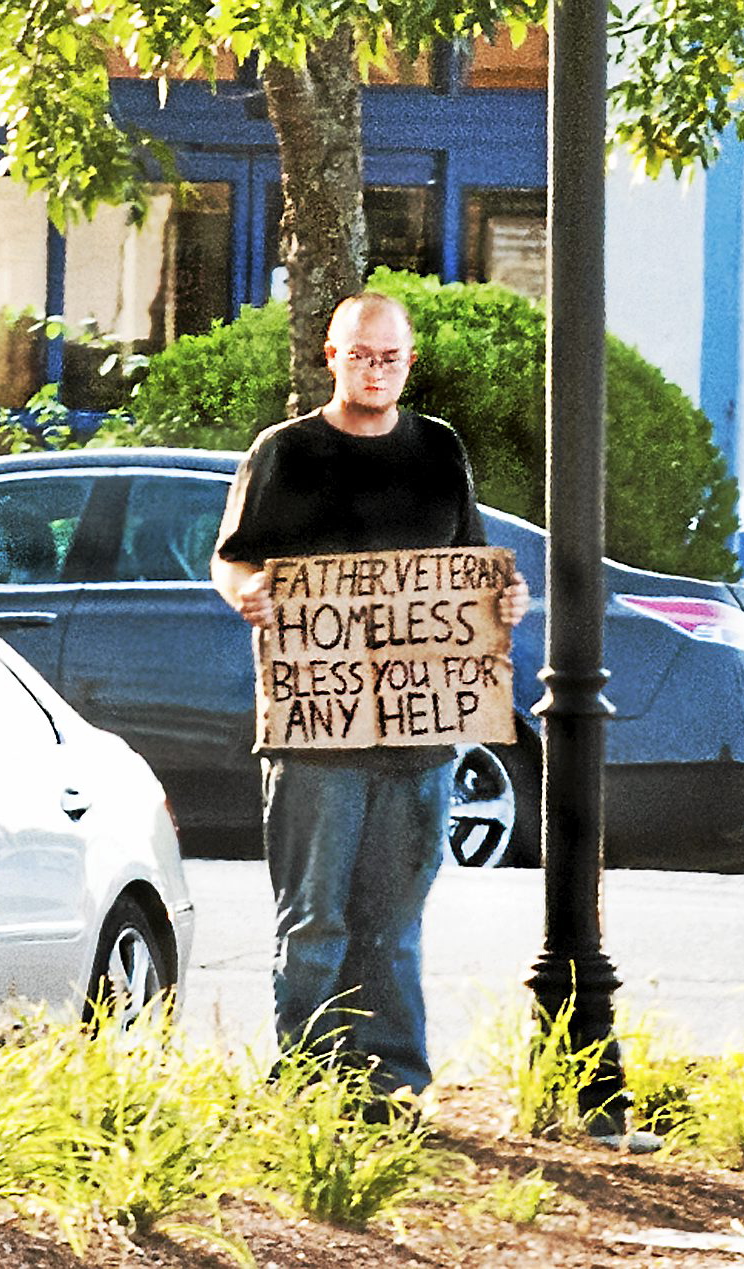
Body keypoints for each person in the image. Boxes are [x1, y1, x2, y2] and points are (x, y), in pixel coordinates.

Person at [210, 292, 529, 1102]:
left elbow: (465, 565)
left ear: (409, 363)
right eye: (360, 354)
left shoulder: (439, 449)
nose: (375, 369)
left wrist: (504, 602)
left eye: (389, 357)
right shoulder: (283, 452)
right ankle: (309, 1085)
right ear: (332, 356)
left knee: (394, 923)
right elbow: (233, 558)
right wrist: (247, 592)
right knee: (315, 919)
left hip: (420, 738)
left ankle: (392, 1083)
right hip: (315, 734)